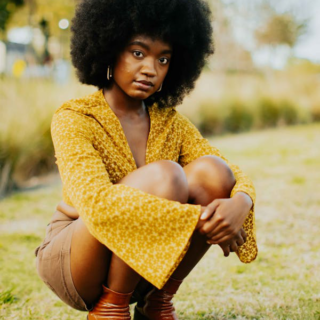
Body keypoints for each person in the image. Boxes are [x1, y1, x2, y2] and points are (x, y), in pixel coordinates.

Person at [34, 0, 258, 319]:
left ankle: (158, 301)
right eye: (138, 52)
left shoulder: (171, 123)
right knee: (166, 177)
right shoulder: (75, 117)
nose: (150, 69)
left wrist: (241, 203)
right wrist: (202, 219)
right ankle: (111, 307)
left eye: (163, 58)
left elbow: (230, 173)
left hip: (149, 264)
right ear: (110, 48)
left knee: (214, 173)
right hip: (79, 258)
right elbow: (96, 204)